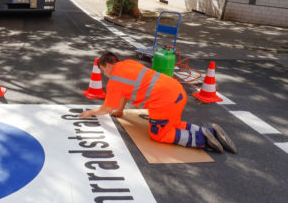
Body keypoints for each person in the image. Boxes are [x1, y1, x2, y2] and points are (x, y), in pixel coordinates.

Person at [79, 51, 236, 154]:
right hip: (178, 92)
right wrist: (120, 111)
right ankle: (211, 131)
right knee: (173, 124)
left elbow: (106, 108)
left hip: (163, 102)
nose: (104, 75)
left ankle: (204, 140)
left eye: (102, 70)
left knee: (159, 134)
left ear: (106, 65)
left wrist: (91, 112)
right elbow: (125, 93)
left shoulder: (115, 79)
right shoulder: (129, 64)